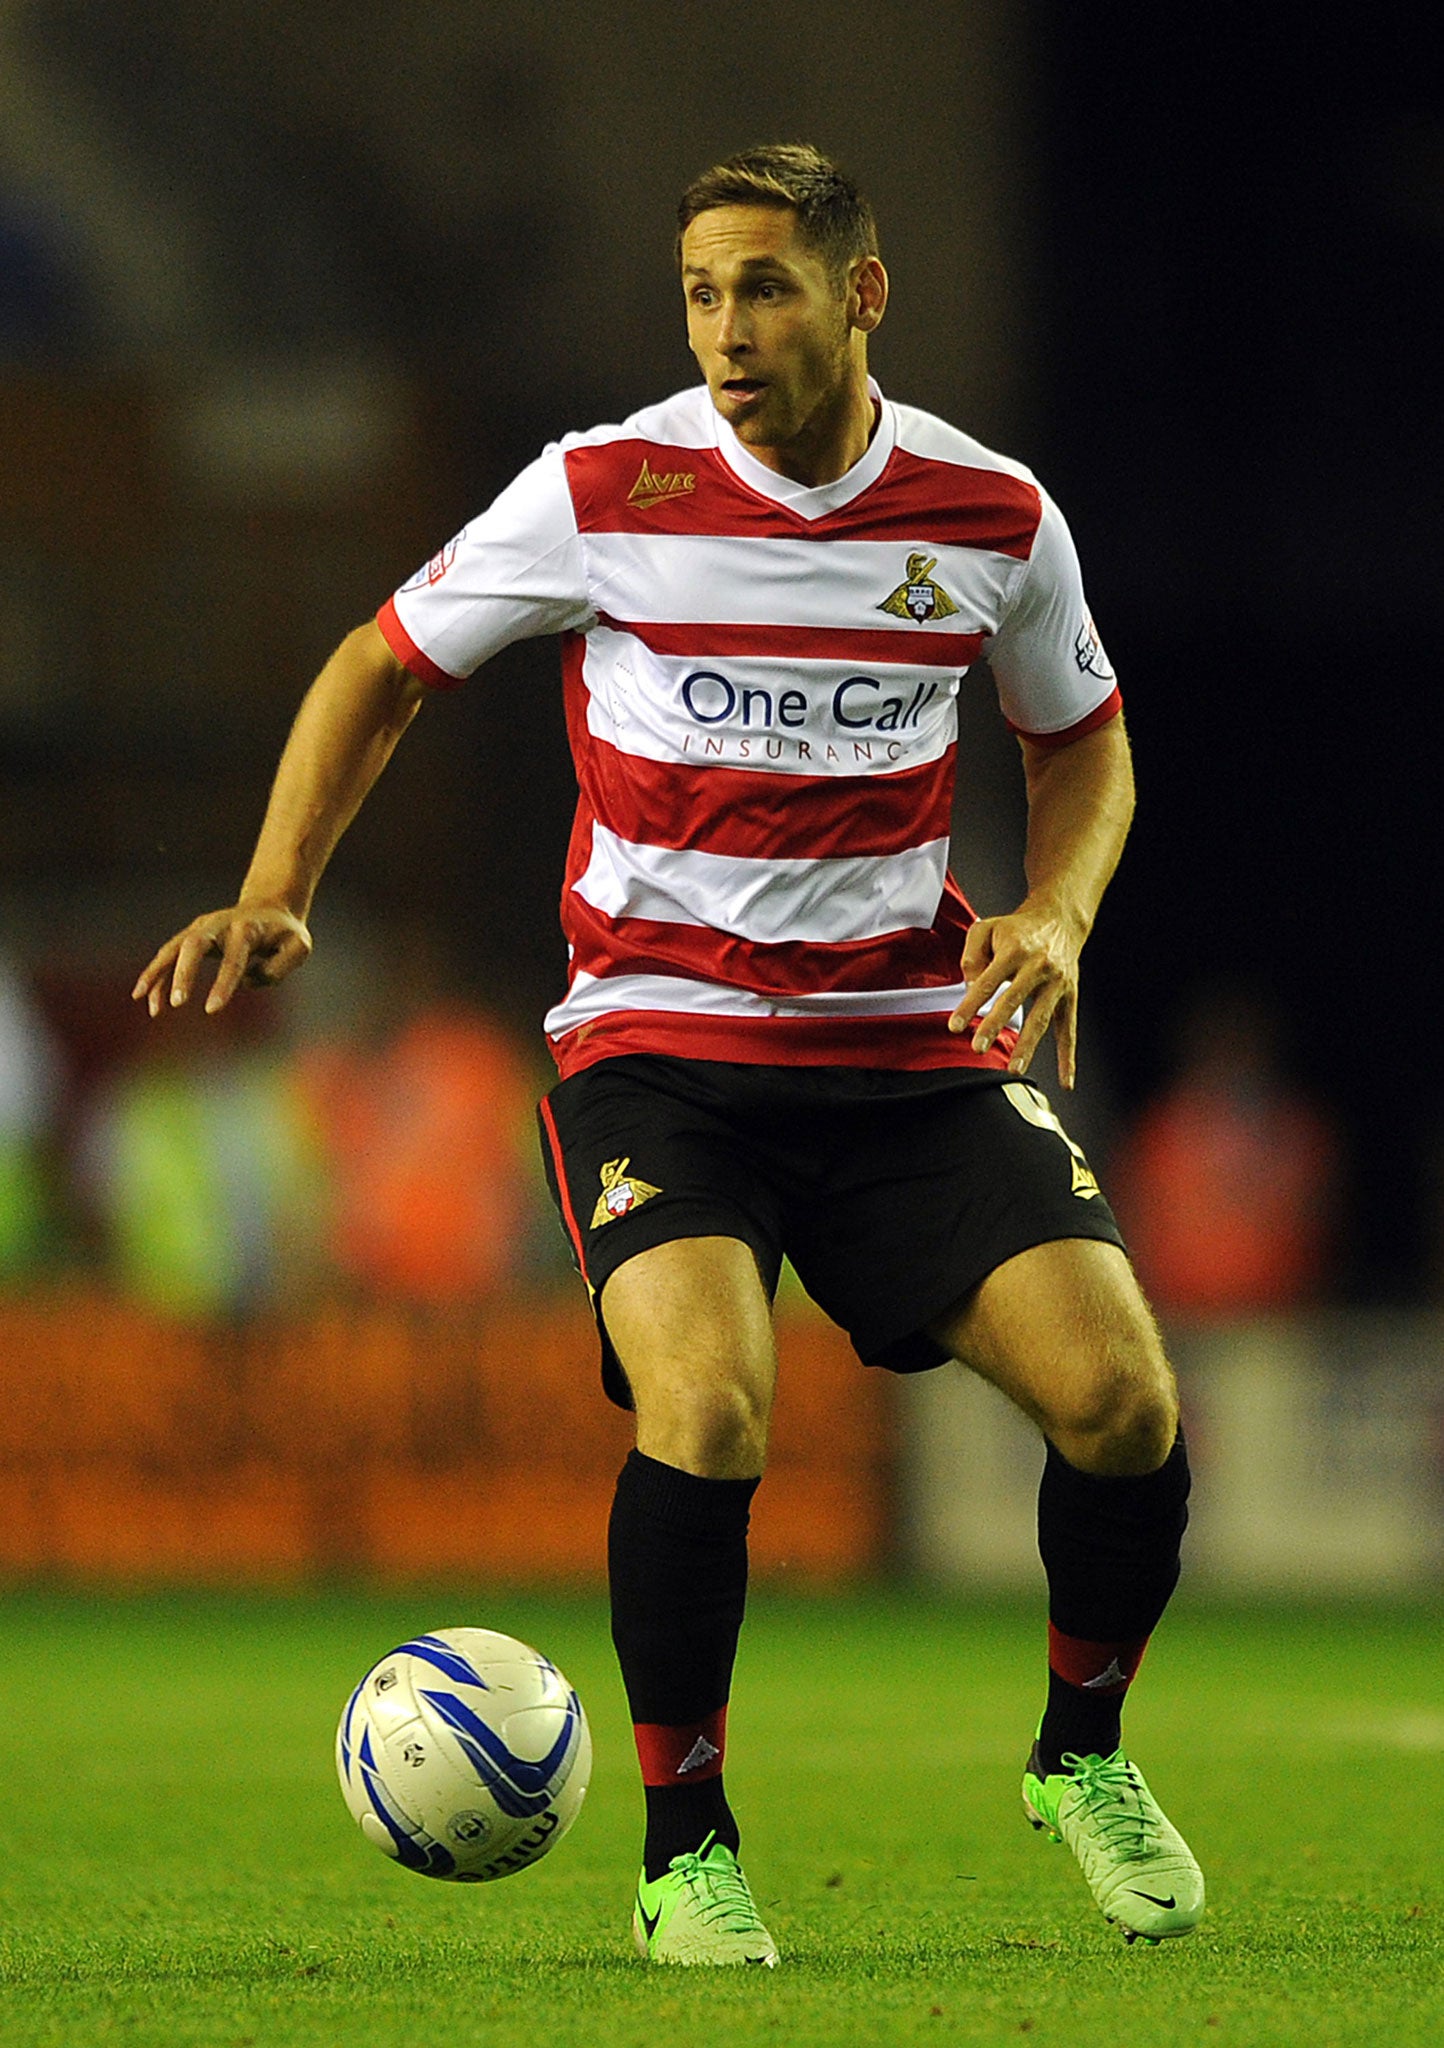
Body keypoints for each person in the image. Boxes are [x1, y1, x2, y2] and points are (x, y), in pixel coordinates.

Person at [135, 145, 1202, 1965]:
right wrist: (276, 884)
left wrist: (1059, 917)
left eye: (765, 287)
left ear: (860, 297)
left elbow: (1084, 740)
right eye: (701, 292)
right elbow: (380, 664)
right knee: (710, 1405)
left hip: (907, 1044)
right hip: (663, 1049)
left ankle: (1079, 1756)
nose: (725, 329)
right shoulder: (602, 488)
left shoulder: (990, 515)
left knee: (1126, 1411)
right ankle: (686, 1847)